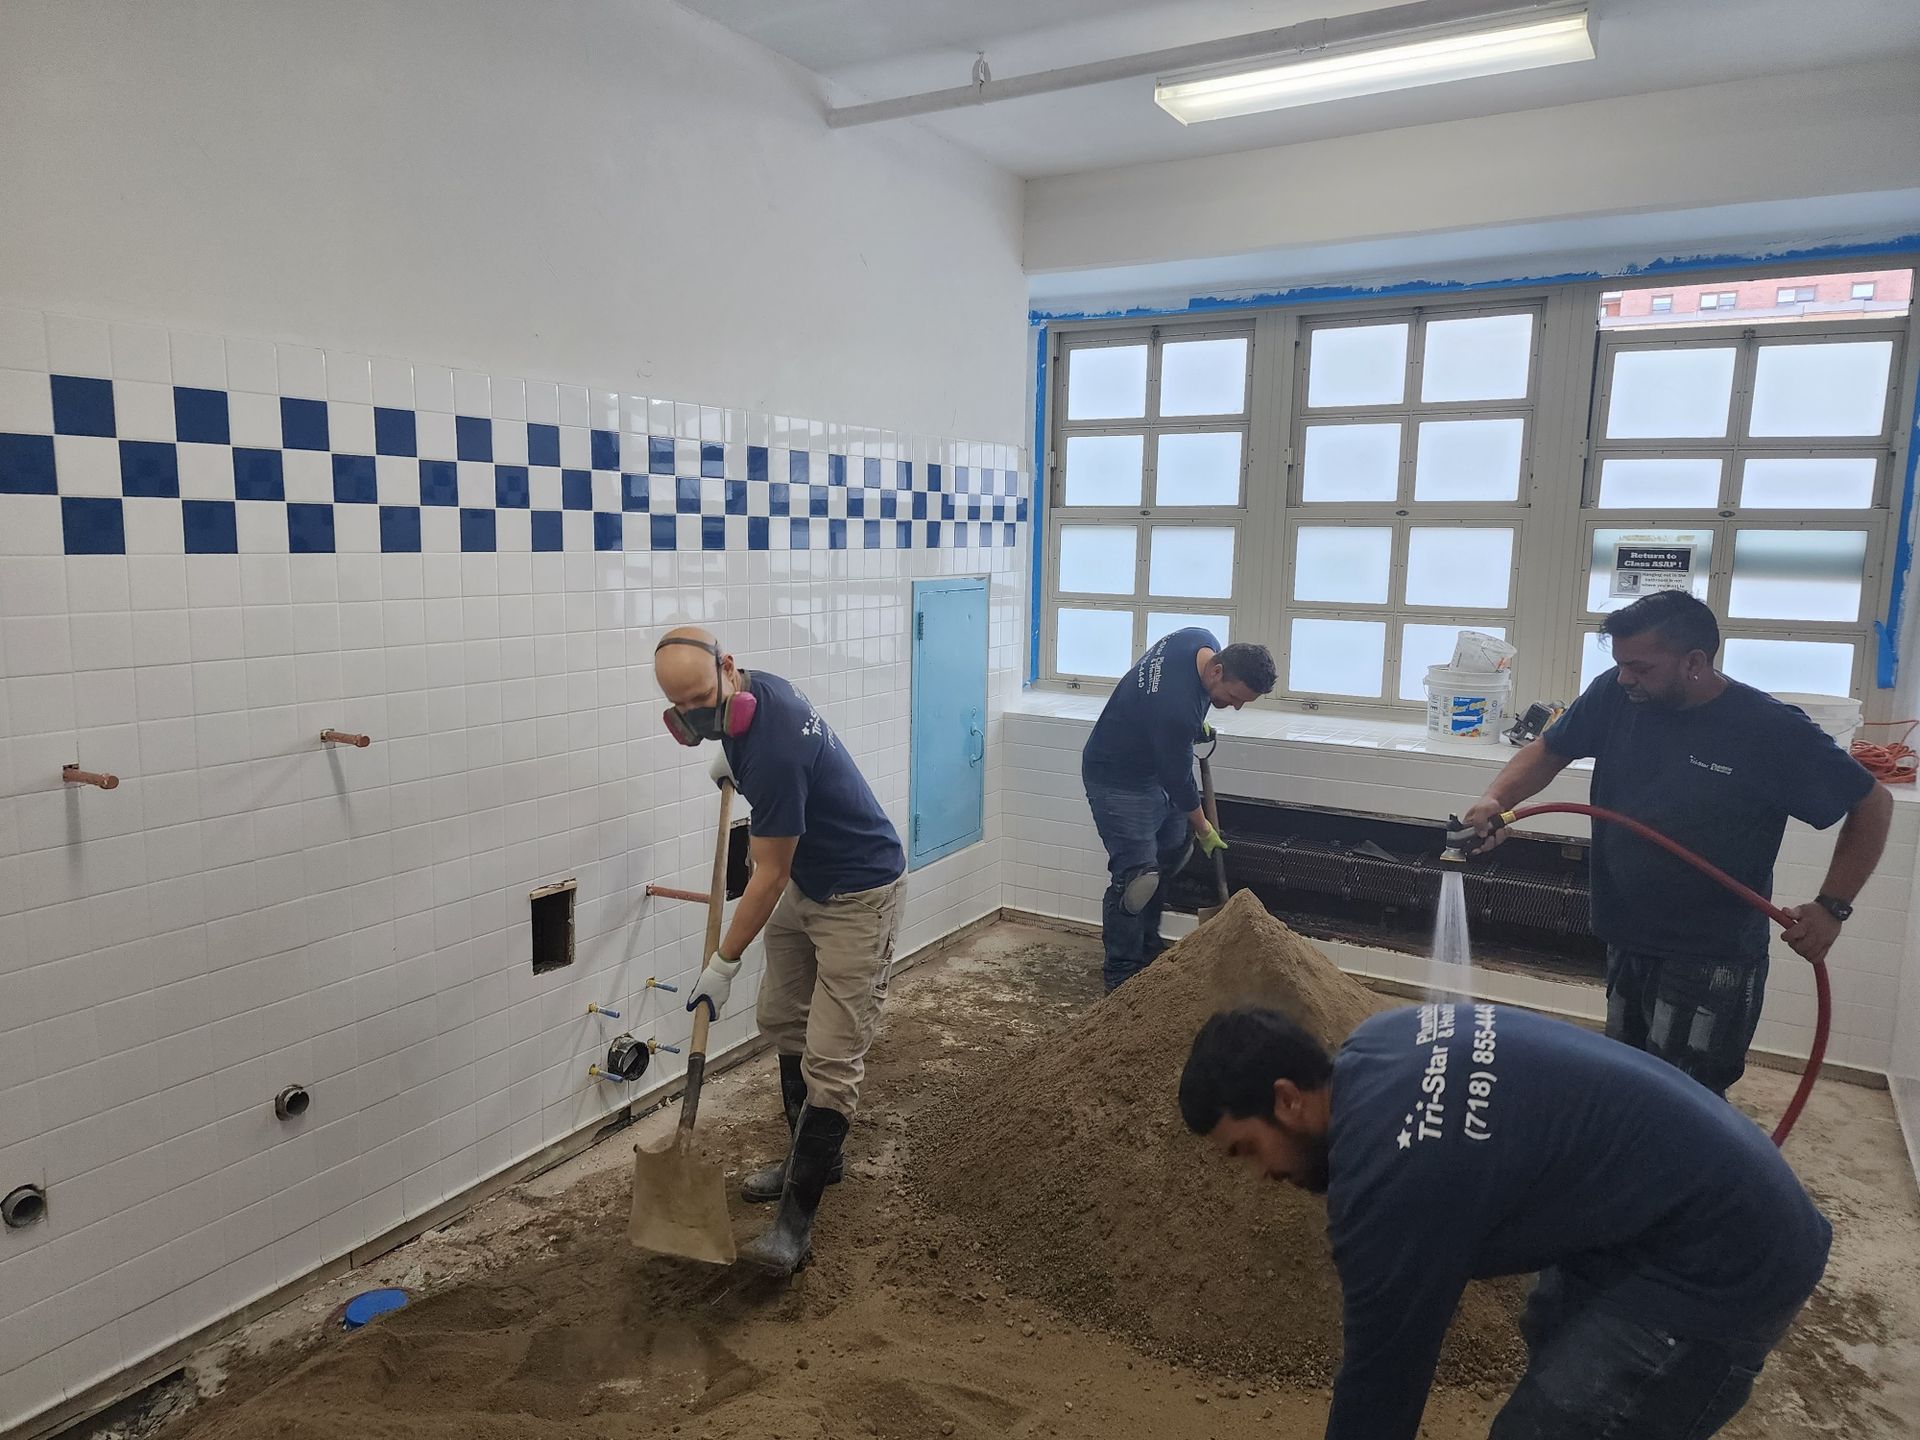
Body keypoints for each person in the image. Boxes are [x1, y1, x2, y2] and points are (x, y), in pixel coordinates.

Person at [1181, 1002, 1831, 1440]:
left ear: (1286, 1100)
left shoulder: (1384, 1183)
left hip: (1726, 1257)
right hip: (1688, 1199)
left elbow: (1382, 1381)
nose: (1259, 1173)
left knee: (1545, 1428)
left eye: (1247, 1149)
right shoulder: (1380, 1042)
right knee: (1548, 1324)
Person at [1458, 591, 1889, 1095]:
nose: (1625, 677)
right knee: (1629, 1082)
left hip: (1710, 955)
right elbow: (1550, 749)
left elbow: (1873, 803)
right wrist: (1495, 798)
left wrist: (1832, 907)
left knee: (1687, 1099)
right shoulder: (1616, 694)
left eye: (1640, 667)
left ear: (1694, 662)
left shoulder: (1767, 729)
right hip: (1627, 934)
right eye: (1620, 664)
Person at [654, 626, 906, 1277]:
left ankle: (794, 1228)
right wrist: (734, 764)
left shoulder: (773, 745)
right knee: (782, 1016)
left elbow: (767, 874)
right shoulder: (755, 698)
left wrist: (723, 963)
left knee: (832, 1058)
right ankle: (815, 1156)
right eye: (682, 707)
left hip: (859, 891)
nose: (695, 715)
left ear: (728, 668)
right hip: (811, 882)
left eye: (702, 698)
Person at [1080, 628, 1276, 991]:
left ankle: (1148, 950)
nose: (1236, 707)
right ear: (1217, 671)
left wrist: (1189, 726)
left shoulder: (1198, 640)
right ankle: (1121, 978)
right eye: (1234, 697)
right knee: (1137, 879)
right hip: (1118, 777)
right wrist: (1205, 829)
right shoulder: (1176, 711)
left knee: (1169, 856)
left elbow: (1160, 699)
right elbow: (1179, 781)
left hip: (1153, 767)